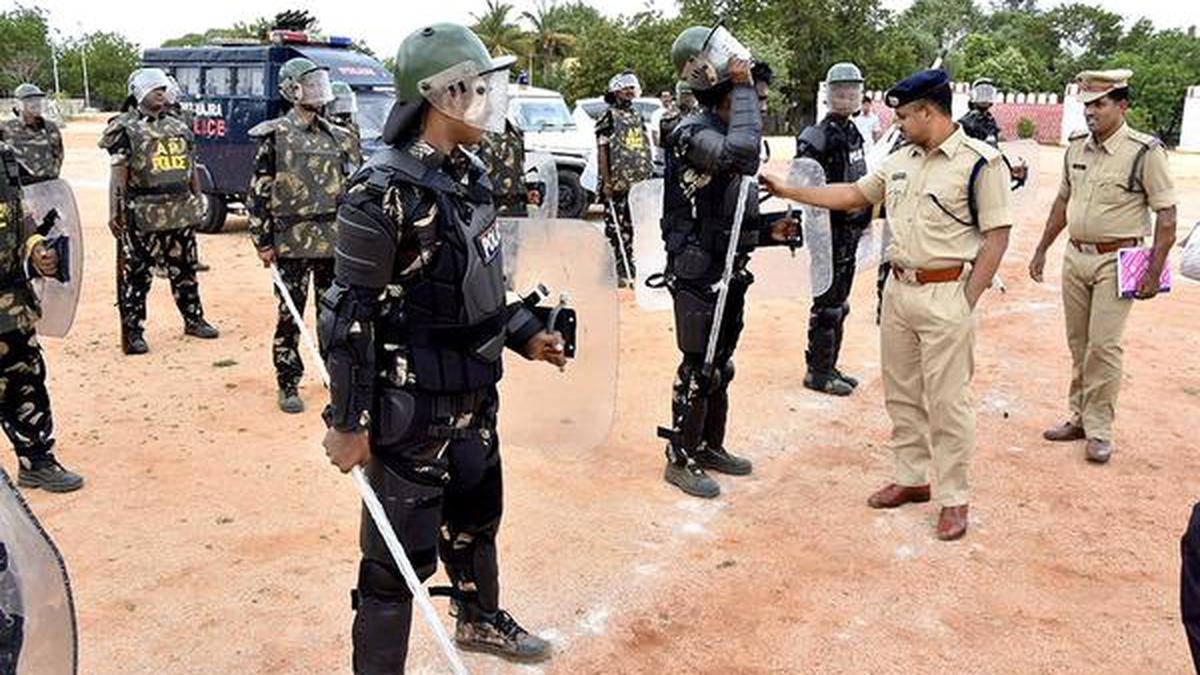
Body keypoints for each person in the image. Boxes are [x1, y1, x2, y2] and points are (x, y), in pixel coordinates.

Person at [319, 22, 566, 671]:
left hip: (475, 393)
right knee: (395, 562)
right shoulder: (379, 191)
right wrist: (348, 423)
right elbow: (348, 318)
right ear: (443, 95)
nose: (493, 99)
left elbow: (483, 282)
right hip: (410, 405)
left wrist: (526, 334)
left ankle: (480, 618)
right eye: (481, 87)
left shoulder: (470, 173)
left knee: (478, 518)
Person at [763, 69, 1012, 540]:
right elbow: (855, 194)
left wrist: (966, 299)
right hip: (898, 291)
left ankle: (954, 498)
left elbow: (997, 237)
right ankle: (912, 477)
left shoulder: (981, 162)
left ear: (928, 112)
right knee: (901, 393)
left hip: (946, 293)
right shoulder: (901, 159)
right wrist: (789, 191)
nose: (896, 124)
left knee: (948, 401)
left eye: (902, 116)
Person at [655, 25, 799, 499]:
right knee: (698, 365)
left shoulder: (725, 129)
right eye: (748, 95)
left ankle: (709, 445)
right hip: (697, 269)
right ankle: (680, 456)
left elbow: (732, 215)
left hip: (728, 264)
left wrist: (771, 232)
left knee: (722, 365)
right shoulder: (690, 131)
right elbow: (741, 157)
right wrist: (739, 85)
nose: (754, 104)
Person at [1028, 69, 1176, 464]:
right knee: (1079, 344)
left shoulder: (1145, 152)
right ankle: (1077, 417)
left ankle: (1099, 429)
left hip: (1118, 260)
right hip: (1076, 257)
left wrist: (1152, 271)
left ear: (1122, 106)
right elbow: (1062, 202)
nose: (1090, 112)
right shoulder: (1076, 147)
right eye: (1087, 105)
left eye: (1100, 104)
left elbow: (1167, 216)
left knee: (1104, 346)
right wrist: (1043, 248)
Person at [247, 58, 358, 414]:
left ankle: (333, 375)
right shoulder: (275, 134)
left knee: (332, 315)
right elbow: (259, 193)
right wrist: (262, 241)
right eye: (308, 85)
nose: (317, 91)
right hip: (290, 241)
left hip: (332, 241)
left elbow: (352, 188)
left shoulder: (338, 135)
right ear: (291, 90)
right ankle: (288, 381)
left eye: (318, 84)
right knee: (289, 316)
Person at [99, 68, 219, 355]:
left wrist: (198, 197)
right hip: (143, 212)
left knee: (186, 269)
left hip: (180, 210)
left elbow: (190, 166)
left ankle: (193, 319)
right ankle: (134, 330)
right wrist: (114, 210)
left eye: (164, 90)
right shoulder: (124, 128)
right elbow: (119, 174)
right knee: (138, 275)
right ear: (139, 93)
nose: (162, 94)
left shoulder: (178, 126)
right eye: (156, 90)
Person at [0, 143, 83, 492]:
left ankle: (36, 460)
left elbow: (21, 212)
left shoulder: (3, 156)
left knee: (25, 379)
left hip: (10, 302)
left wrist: (34, 246)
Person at [795, 62, 871, 397]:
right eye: (840, 92)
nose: (847, 97)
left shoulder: (854, 133)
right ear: (828, 95)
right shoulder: (815, 137)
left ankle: (831, 364)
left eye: (852, 91)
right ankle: (818, 372)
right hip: (827, 233)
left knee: (841, 302)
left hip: (850, 230)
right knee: (826, 304)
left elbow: (861, 177)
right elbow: (805, 189)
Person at [596, 70, 652, 285]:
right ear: (615, 90)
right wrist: (607, 181)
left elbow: (643, 146)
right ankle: (614, 268)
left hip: (635, 183)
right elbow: (602, 150)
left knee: (631, 227)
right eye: (625, 87)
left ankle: (628, 265)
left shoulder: (637, 115)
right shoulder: (608, 116)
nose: (630, 91)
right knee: (615, 228)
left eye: (632, 87)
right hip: (616, 182)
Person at [0, 84, 63, 184]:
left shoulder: (50, 128)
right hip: (21, 189)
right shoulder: (5, 129)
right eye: (30, 100)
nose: (36, 103)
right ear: (17, 104)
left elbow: (58, 154)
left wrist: (52, 175)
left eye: (38, 99)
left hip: (47, 186)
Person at [476, 117, 538, 217]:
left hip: (514, 202)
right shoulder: (475, 131)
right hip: (488, 201)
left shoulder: (516, 131)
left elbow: (520, 167)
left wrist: (527, 191)